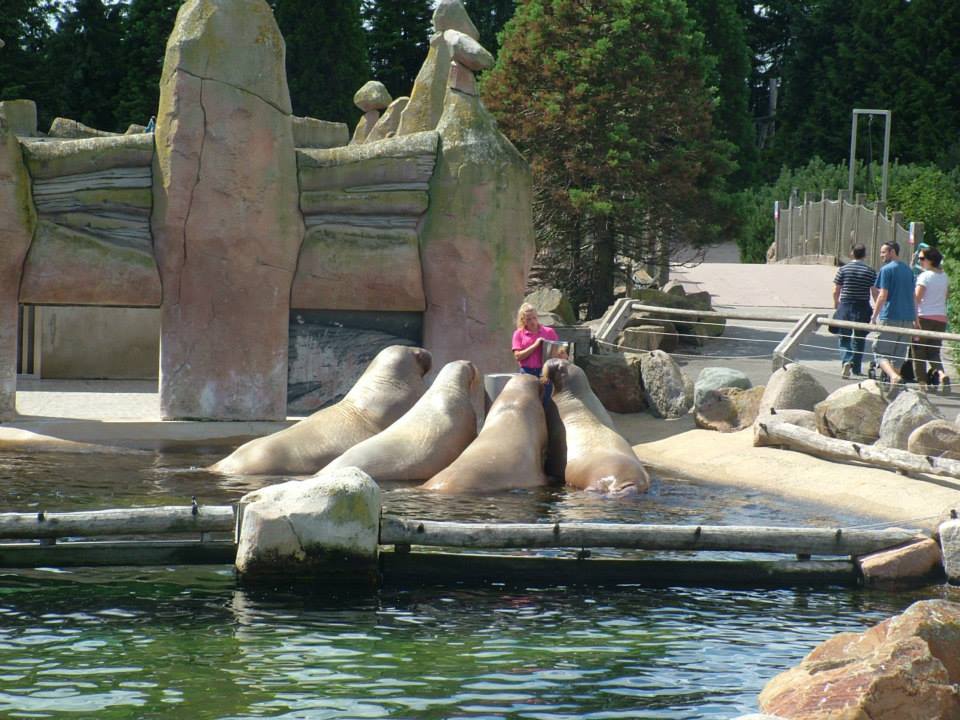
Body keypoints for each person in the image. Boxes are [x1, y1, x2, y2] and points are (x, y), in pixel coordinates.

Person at [870, 241, 917, 387]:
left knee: (880, 352)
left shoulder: (887, 270)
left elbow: (882, 295)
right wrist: (916, 318)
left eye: (884, 252)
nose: (881, 255)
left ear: (892, 252)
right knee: (899, 355)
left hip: (890, 316)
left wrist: (874, 316)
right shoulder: (909, 271)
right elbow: (913, 296)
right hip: (907, 318)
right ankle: (893, 384)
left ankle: (893, 377)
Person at [832, 243, 877, 378]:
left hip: (845, 305)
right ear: (865, 255)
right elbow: (875, 292)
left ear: (852, 253)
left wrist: (836, 304)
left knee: (844, 337)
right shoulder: (870, 271)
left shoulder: (843, 269)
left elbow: (836, 290)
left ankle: (847, 360)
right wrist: (876, 311)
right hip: (862, 306)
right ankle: (856, 368)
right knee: (860, 338)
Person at [912, 246, 950, 391]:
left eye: (922, 259)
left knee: (918, 350)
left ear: (930, 260)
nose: (920, 261)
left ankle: (922, 383)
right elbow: (946, 297)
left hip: (924, 317)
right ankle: (941, 374)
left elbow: (916, 298)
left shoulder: (925, 276)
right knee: (934, 351)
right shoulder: (944, 276)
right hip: (941, 318)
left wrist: (915, 320)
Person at [512, 303, 559, 379]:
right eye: (528, 319)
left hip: (546, 371)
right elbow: (518, 356)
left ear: (537, 317)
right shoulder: (518, 334)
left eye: (534, 318)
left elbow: (558, 352)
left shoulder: (549, 332)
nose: (532, 322)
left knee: (547, 391)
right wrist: (535, 345)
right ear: (523, 320)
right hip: (526, 372)